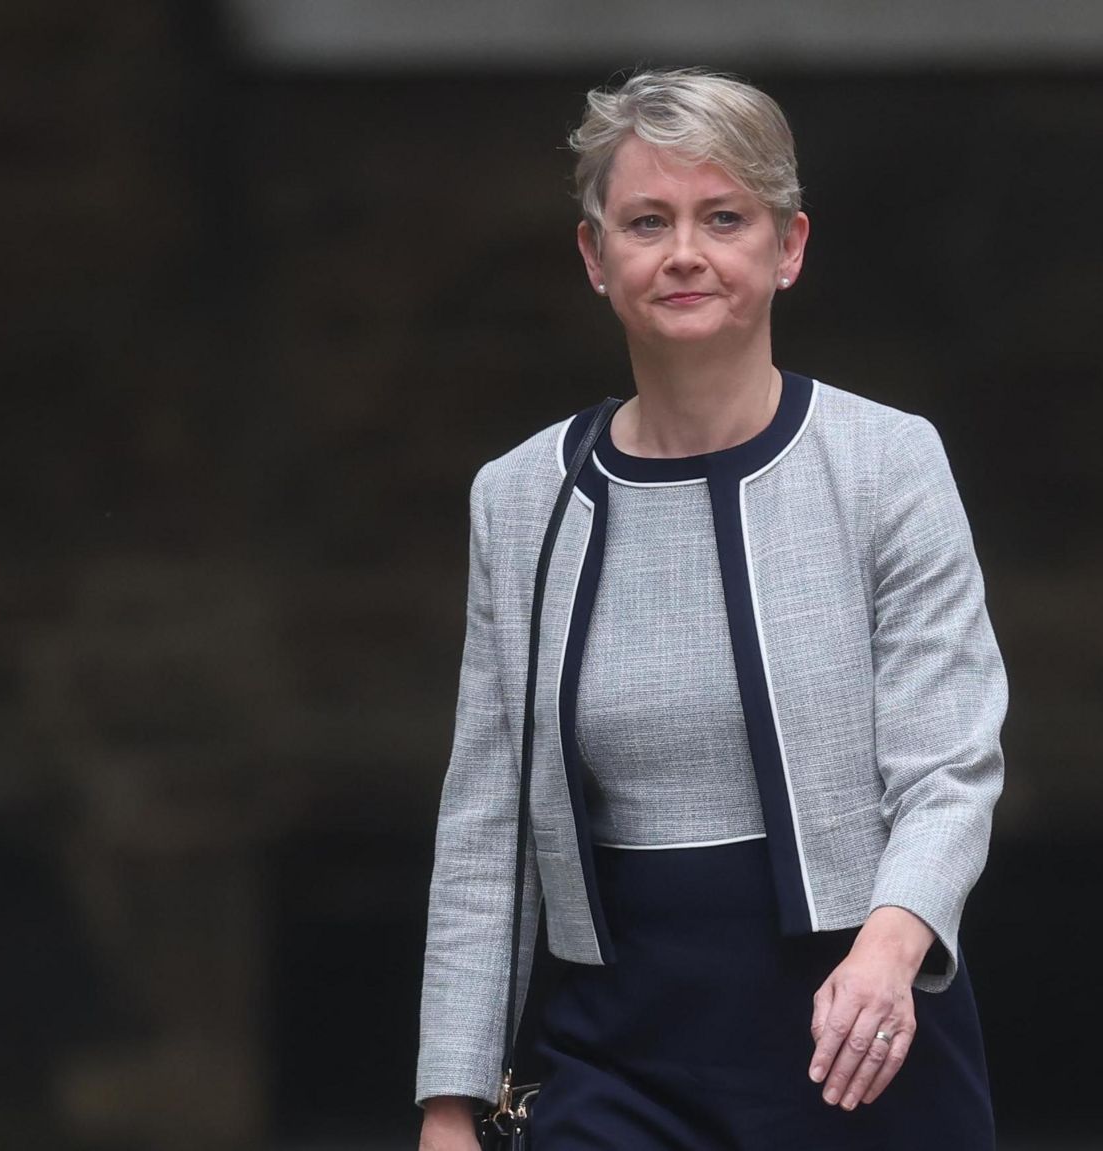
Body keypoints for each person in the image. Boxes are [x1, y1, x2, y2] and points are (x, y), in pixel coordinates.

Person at [415, 67, 1008, 1150]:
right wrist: (450, 1105)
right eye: (647, 220)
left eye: (722, 217)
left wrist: (887, 950)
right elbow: (483, 824)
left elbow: (948, 763)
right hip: (615, 1054)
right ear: (597, 258)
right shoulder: (520, 496)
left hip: (857, 1044)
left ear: (786, 246)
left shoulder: (886, 465)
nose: (683, 251)